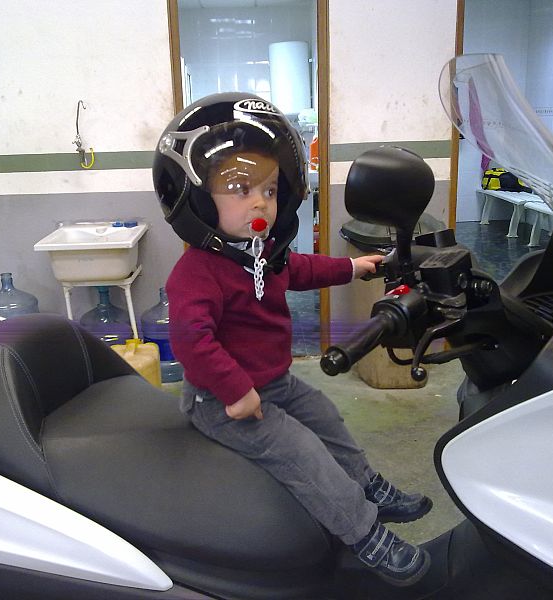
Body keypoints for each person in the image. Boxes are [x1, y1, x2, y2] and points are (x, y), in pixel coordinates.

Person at [153, 92, 432, 587]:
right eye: (239, 189)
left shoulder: (260, 252)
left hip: (275, 382)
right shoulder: (196, 273)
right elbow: (192, 340)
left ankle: (368, 486)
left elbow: (300, 269)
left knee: (326, 418)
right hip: (222, 400)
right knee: (303, 453)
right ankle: (365, 534)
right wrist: (236, 390)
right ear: (198, 200)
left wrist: (352, 267)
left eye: (269, 189)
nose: (260, 201)